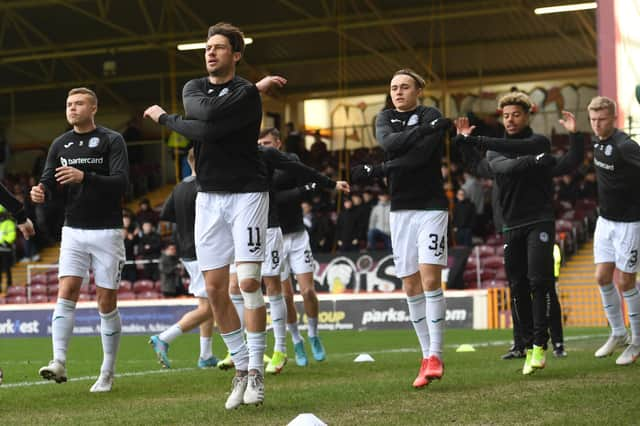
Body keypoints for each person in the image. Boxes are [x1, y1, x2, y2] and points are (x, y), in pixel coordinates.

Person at [143, 22, 287, 408]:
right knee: (214, 290)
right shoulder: (193, 87)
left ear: (236, 55)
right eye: (207, 47)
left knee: (251, 283)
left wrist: (163, 118)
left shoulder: (246, 92)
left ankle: (257, 371)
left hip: (247, 194)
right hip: (209, 197)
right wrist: (190, 121)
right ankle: (241, 369)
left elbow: (203, 128)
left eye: (219, 47)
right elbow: (202, 118)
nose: (210, 52)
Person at [454, 92, 583, 374]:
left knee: (540, 282)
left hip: (540, 221)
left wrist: (575, 137)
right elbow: (480, 165)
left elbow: (570, 162)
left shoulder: (538, 143)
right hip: (510, 225)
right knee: (518, 286)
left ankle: (541, 344)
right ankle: (522, 343)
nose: (510, 120)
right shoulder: (498, 151)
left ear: (527, 116)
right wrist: (464, 142)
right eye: (506, 116)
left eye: (516, 115)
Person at [223, 127, 349, 374]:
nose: (262, 146)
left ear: (278, 143)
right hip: (259, 227)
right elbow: (283, 194)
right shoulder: (251, 161)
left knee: (307, 290)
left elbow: (300, 177)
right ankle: (294, 342)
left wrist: (327, 184)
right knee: (272, 290)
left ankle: (310, 335)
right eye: (259, 142)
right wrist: (302, 191)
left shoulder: (285, 161)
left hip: (290, 232)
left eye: (267, 142)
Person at [31, 87, 129, 392]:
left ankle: (107, 371)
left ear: (94, 108)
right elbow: (49, 178)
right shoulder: (60, 143)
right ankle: (58, 361)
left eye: (79, 104)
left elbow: (122, 182)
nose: (72, 108)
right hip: (73, 229)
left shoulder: (112, 140)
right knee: (67, 289)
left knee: (105, 301)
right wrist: (41, 191)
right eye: (69, 104)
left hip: (107, 231)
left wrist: (85, 176)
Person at [374, 69, 450, 388]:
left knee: (430, 277)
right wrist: (421, 132)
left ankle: (435, 354)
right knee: (409, 285)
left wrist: (413, 139)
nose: (398, 92)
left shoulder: (431, 113)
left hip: (431, 206)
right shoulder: (384, 118)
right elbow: (388, 143)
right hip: (401, 210)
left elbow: (421, 157)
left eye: (405, 87)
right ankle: (424, 356)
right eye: (393, 87)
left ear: (418, 90)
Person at [149, 148, 219, 369]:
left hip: (187, 251)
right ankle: (164, 338)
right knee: (212, 307)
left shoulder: (179, 187)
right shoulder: (206, 186)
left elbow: (165, 215)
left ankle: (206, 355)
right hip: (205, 251)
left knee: (206, 303)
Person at [586, 96, 640, 365]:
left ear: (613, 118)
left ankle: (636, 342)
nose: (596, 124)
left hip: (629, 222)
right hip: (604, 221)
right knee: (601, 277)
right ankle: (618, 332)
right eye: (593, 119)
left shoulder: (625, 146)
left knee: (626, 281)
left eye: (602, 119)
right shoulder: (597, 141)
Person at [0, 207, 16, 290]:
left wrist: (6, 242)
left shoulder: (9, 223)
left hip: (6, 249)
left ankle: (9, 285)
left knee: (7, 268)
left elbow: (12, 235)